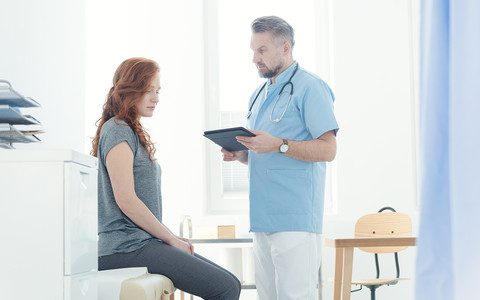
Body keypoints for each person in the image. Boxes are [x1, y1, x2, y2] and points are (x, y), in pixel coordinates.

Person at [91, 57, 241, 300]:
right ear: (130, 90)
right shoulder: (117, 129)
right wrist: (170, 238)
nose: (156, 98)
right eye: (148, 90)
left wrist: (170, 236)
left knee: (232, 283)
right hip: (124, 247)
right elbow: (126, 200)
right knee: (225, 288)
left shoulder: (129, 131)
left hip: (140, 243)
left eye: (158, 91)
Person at [221, 16, 339, 299]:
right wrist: (243, 156)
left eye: (262, 50)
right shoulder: (258, 94)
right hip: (262, 219)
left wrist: (278, 145)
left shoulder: (311, 87)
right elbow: (268, 152)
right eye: (253, 50)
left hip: (295, 218)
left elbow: (328, 149)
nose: (254, 58)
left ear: (285, 48)